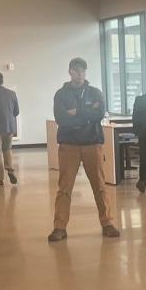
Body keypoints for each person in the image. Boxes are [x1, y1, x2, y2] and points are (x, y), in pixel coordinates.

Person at [49, 58, 119, 242]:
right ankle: (59, 227)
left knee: (99, 185)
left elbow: (99, 114)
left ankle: (107, 223)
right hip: (68, 146)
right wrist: (86, 113)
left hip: (92, 144)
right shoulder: (61, 94)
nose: (81, 75)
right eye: (77, 71)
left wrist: (76, 112)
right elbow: (61, 119)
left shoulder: (95, 93)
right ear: (70, 71)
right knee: (64, 188)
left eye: (84, 72)